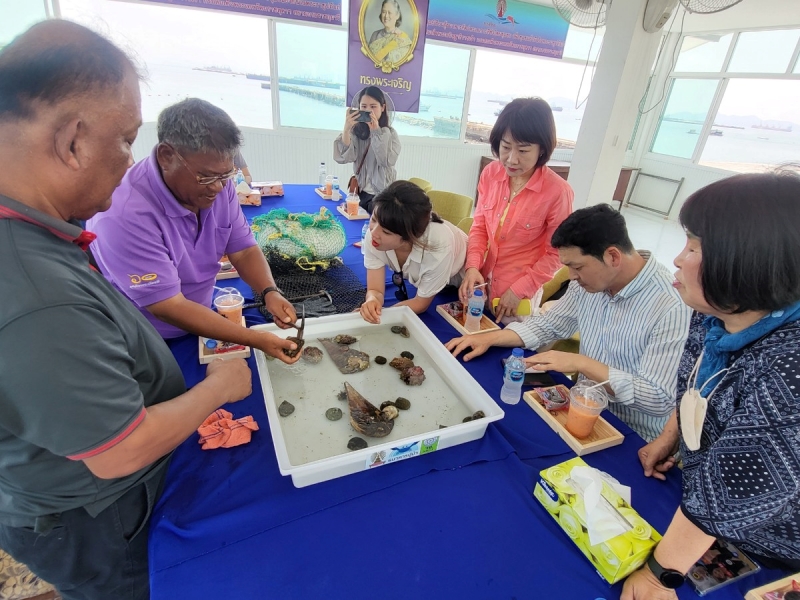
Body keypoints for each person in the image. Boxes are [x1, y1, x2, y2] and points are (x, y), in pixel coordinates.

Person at [0, 21, 252, 600]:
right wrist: (220, 387)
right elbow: (121, 451)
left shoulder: (42, 233)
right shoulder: (38, 295)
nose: (128, 160)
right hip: (93, 516)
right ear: (72, 143)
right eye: (125, 139)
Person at [624, 171, 800, 600]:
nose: (679, 259)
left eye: (695, 248)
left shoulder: (789, 366)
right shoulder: (715, 314)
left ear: (748, 262)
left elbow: (733, 493)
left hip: (767, 546)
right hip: (697, 504)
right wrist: (672, 435)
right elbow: (694, 384)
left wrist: (658, 575)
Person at [447, 204, 691, 442]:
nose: (571, 277)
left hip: (633, 435)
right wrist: (488, 338)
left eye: (577, 267)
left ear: (613, 256)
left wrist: (581, 363)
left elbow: (658, 398)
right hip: (577, 408)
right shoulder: (587, 283)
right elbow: (549, 325)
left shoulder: (671, 306)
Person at [87, 98, 300, 362]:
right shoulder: (122, 214)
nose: (219, 189)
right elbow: (168, 306)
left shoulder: (217, 184)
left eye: (226, 176)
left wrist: (270, 291)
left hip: (203, 315)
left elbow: (243, 249)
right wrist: (257, 339)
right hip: (146, 337)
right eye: (207, 177)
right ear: (166, 156)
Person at [459, 97, 573, 323]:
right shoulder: (491, 174)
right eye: (505, 147)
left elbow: (556, 254)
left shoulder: (558, 192)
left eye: (523, 150)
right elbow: (480, 226)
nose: (511, 159)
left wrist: (520, 289)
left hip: (517, 295)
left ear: (542, 149)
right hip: (483, 283)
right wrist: (472, 267)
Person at [359, 180, 467, 322]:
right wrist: (372, 300)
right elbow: (376, 290)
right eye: (373, 219)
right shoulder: (375, 234)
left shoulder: (438, 245)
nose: (374, 232)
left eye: (386, 232)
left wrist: (382, 317)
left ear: (410, 237)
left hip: (461, 279)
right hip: (431, 275)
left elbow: (421, 303)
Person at [334, 86, 400, 214]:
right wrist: (347, 129)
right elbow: (344, 157)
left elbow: (385, 161)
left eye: (373, 106)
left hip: (382, 197)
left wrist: (375, 132)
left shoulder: (390, 134)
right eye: (363, 106)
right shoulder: (357, 132)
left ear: (383, 107)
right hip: (360, 193)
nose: (368, 110)